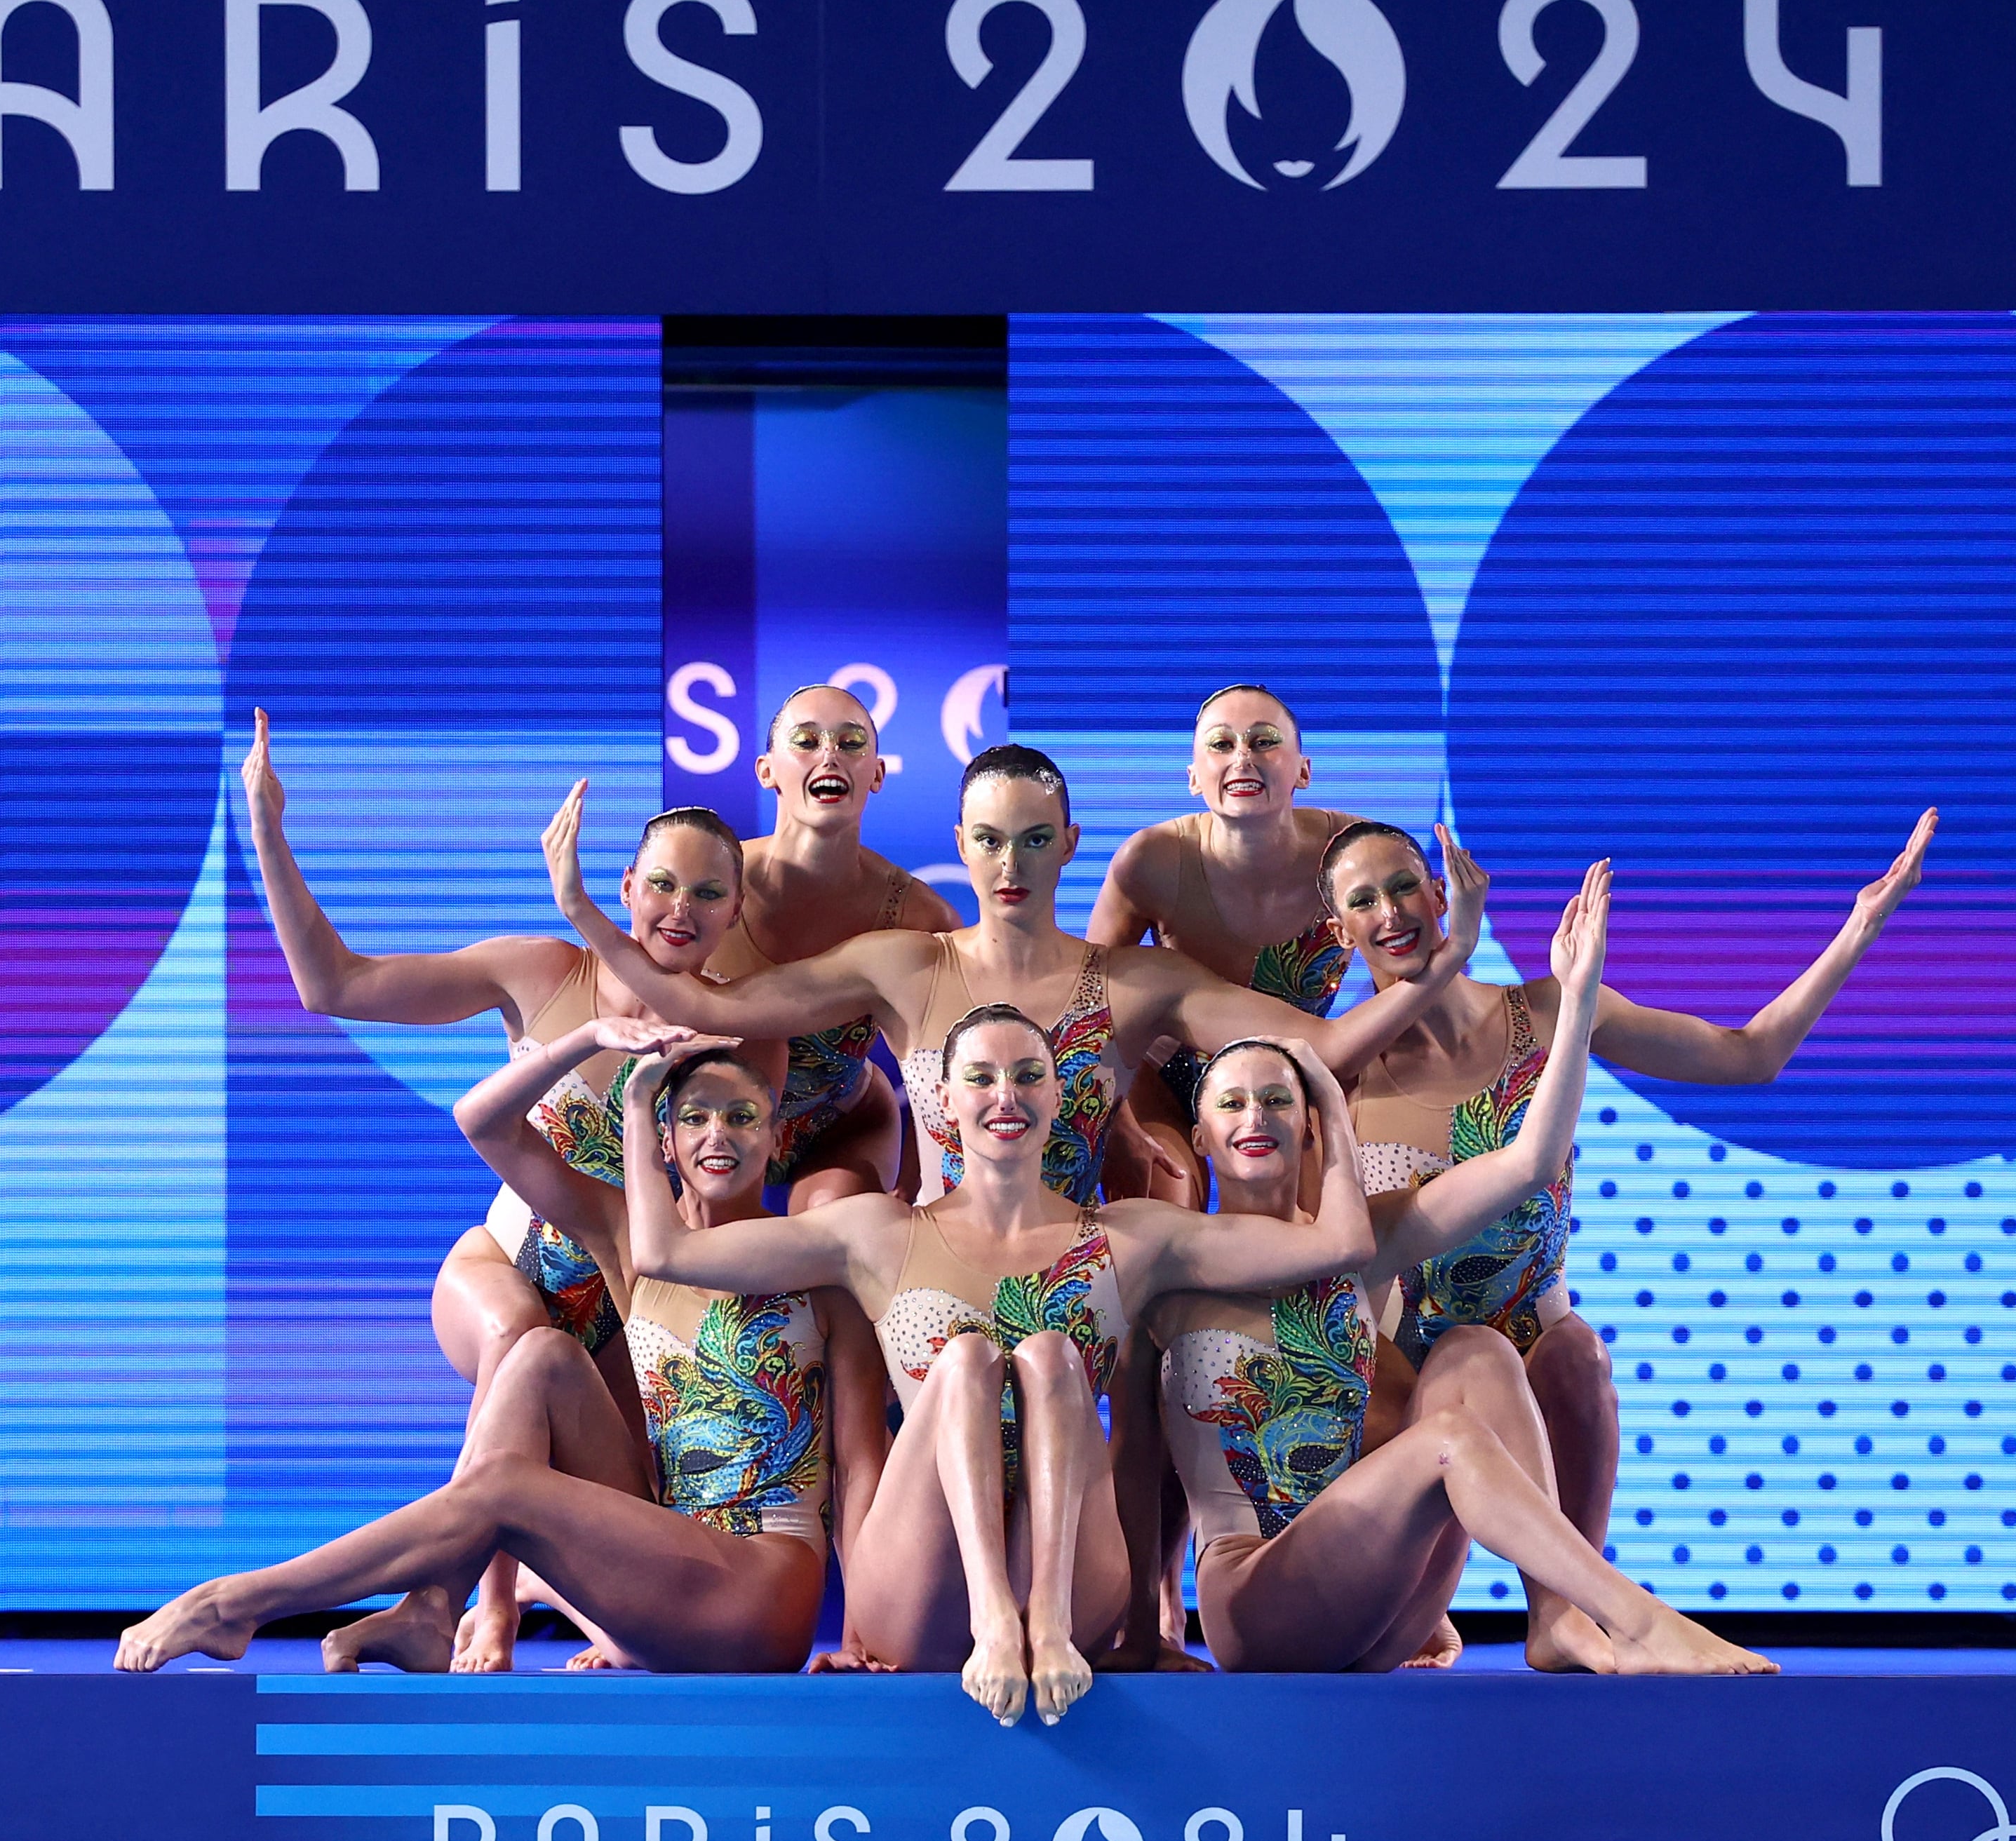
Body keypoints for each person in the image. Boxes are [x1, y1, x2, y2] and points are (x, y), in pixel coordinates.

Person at [624, 1004, 1377, 1726]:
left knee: (1052, 1355)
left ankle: (1041, 1625)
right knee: (966, 1362)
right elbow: (663, 1252)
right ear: (944, 1102)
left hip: (1071, 1586)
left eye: (1025, 1076)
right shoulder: (877, 1232)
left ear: (1058, 1097)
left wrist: (1331, 1114)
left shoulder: (1129, 1238)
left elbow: (1342, 1243)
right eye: (981, 1078)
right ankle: (996, 1621)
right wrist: (638, 1110)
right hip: (924, 1581)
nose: (1004, 1096)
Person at [1322, 808, 1935, 1666]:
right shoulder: (1334, 1075)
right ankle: (1493, 1603)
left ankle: (1566, 1610)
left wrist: (1860, 927)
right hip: (1405, 1381)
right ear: (1340, 931)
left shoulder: (1548, 1009)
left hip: (1539, 1345)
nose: (1389, 912)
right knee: (1466, 1349)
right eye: (1362, 901)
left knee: (1577, 1351)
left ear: (1441, 890)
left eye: (1401, 887)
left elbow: (1748, 1055)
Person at [1141, 860, 1773, 1676]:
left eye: (1278, 1101)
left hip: (1373, 1602)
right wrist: (1142, 1631)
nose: (1253, 1118)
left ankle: (1559, 1617)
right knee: (1445, 1442)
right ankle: (1638, 1619)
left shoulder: (1359, 1247)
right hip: (1254, 1600)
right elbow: (1134, 1460)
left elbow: (1530, 1160)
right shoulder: (1166, 1262)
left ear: (1315, 1124)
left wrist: (1576, 1003)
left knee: (1478, 1347)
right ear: (1199, 1136)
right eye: (1229, 1102)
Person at [236, 708, 777, 1659]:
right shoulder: (538, 970)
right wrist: (270, 837)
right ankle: (463, 1601)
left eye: (706, 891)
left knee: (613, 1515)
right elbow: (337, 985)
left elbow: (712, 1202)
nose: (678, 908)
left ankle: (524, 1592)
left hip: (626, 1298)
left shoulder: (744, 1033)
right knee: (522, 1331)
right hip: (502, 1261)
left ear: (736, 910)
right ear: (624, 885)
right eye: (659, 883)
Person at [114, 1020, 854, 1678]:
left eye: (742, 1117)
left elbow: (861, 1463)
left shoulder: (818, 1263)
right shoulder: (630, 1246)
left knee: (505, 1483)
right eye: (693, 1116)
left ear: (776, 1136)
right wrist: (596, 1039)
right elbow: (483, 1121)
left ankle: (239, 1601)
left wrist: (859, 1633)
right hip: (663, 1562)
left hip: (759, 1594)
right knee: (541, 1355)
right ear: (662, 1138)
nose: (716, 1135)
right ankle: (432, 1610)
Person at [542, 743, 1488, 1207]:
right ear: (962, 845)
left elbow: (1320, 1043)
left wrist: (1444, 959)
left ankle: (1155, 1596)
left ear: (1069, 844)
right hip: (934, 1273)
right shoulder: (903, 963)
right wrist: (586, 913)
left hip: (1079, 1279)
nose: (1011, 862)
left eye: (1036, 839)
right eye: (990, 840)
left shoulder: (1137, 980)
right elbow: (701, 1002)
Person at [1086, 684, 1367, 1208]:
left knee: (1317, 1228)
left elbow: (1405, 987)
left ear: (1303, 770)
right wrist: (1117, 1126)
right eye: (1220, 744)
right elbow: (1089, 1008)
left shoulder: (1352, 857)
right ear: (1193, 778)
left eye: (1264, 741)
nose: (1243, 757)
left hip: (1296, 1079)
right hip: (1167, 1081)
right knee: (1160, 1211)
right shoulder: (1150, 861)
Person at [704, 683, 961, 1211]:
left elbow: (950, 1069)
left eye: (851, 743)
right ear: (766, 770)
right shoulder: (705, 886)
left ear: (878, 774)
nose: (829, 754)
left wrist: (918, 1184)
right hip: (707, 1129)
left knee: (834, 1231)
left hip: (837, 1126)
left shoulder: (920, 919)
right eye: (806, 740)